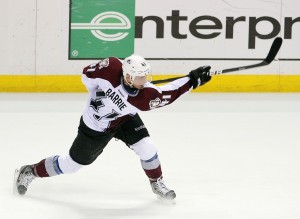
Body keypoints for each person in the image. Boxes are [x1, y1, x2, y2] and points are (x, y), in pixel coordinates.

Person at [14, 54, 211, 200]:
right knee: (72, 165)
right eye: (140, 78)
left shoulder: (144, 97)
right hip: (94, 127)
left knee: (147, 147)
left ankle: (156, 182)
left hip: (124, 119)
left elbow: (171, 92)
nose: (145, 81)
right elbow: (86, 76)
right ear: (127, 77)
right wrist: (98, 94)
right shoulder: (109, 68)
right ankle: (30, 171)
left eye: (146, 76)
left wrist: (193, 79)